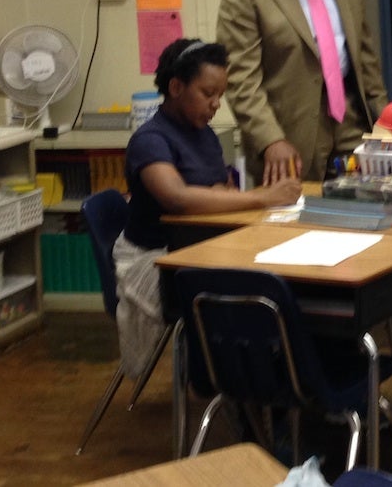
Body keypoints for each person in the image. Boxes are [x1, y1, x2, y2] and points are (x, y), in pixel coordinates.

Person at [114, 38, 302, 379]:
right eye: (207, 93)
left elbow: (220, 191)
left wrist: (240, 198)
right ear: (175, 87)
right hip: (161, 261)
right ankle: (247, 386)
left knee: (289, 281)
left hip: (201, 249)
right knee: (263, 295)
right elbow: (178, 198)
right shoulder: (150, 140)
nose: (216, 104)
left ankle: (283, 381)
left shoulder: (204, 135)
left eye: (221, 94)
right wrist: (263, 197)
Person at [217, 0, 388, 185]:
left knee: (363, 212)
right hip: (288, 133)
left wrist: (384, 116)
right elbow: (240, 79)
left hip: (350, 119)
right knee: (294, 225)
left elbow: (363, 51)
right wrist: (270, 140)